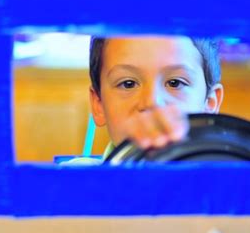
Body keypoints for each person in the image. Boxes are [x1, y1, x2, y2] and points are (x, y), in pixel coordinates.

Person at [88, 36, 224, 159]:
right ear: (98, 104)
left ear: (210, 104)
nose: (152, 102)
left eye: (174, 83)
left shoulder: (233, 181)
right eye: (128, 84)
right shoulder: (75, 183)